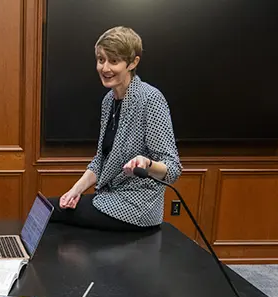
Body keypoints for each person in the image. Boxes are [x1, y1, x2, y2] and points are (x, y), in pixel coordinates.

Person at [51, 26, 182, 231]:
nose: (105, 68)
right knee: (50, 207)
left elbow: (172, 168)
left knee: (50, 212)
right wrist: (75, 190)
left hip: (138, 206)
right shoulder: (108, 101)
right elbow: (101, 161)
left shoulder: (151, 99)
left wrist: (147, 163)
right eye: (101, 59)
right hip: (110, 197)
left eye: (114, 61)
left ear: (133, 63)